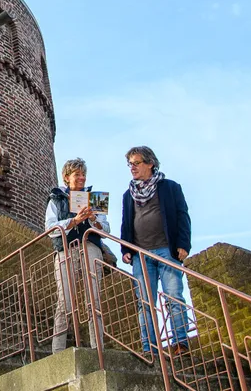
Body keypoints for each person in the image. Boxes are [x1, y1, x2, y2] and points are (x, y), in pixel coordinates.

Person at [120, 146, 192, 355]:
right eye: (130, 164)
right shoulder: (128, 194)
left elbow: (182, 216)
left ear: (150, 163)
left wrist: (183, 244)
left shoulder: (169, 187)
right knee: (144, 302)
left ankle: (180, 342)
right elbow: (127, 223)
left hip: (166, 249)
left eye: (136, 163)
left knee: (173, 297)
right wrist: (126, 248)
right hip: (140, 255)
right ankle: (149, 347)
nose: (132, 168)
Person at [45, 157, 110, 354]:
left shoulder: (94, 197)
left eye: (83, 174)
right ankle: (57, 350)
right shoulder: (56, 198)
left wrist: (93, 220)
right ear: (67, 178)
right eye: (77, 175)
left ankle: (97, 347)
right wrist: (73, 221)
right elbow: (50, 228)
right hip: (66, 250)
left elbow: (106, 229)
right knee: (65, 300)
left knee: (94, 298)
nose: (81, 178)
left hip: (90, 247)